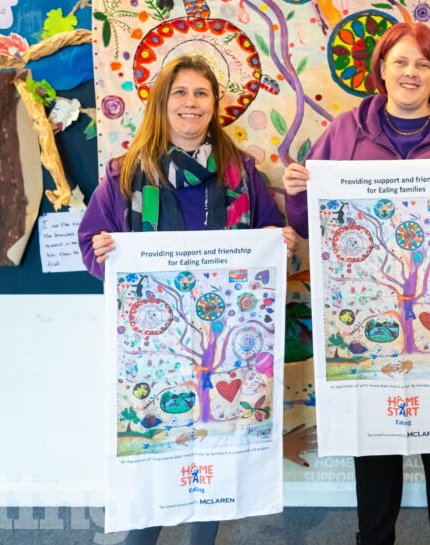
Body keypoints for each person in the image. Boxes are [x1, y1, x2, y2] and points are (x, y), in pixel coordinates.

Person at [283, 21, 430, 545]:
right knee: (375, 445)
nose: (410, 72)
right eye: (400, 61)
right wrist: (299, 191)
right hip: (369, 323)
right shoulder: (344, 133)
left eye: (423, 63)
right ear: (381, 70)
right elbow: (307, 224)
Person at [78, 54, 295, 545]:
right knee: (157, 443)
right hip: (158, 341)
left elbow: (265, 238)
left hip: (223, 341)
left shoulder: (240, 173)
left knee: (215, 447)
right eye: (180, 93)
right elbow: (92, 247)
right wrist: (103, 252)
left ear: (214, 104)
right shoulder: (128, 174)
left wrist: (279, 244)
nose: (191, 103)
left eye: (201, 93)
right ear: (163, 102)